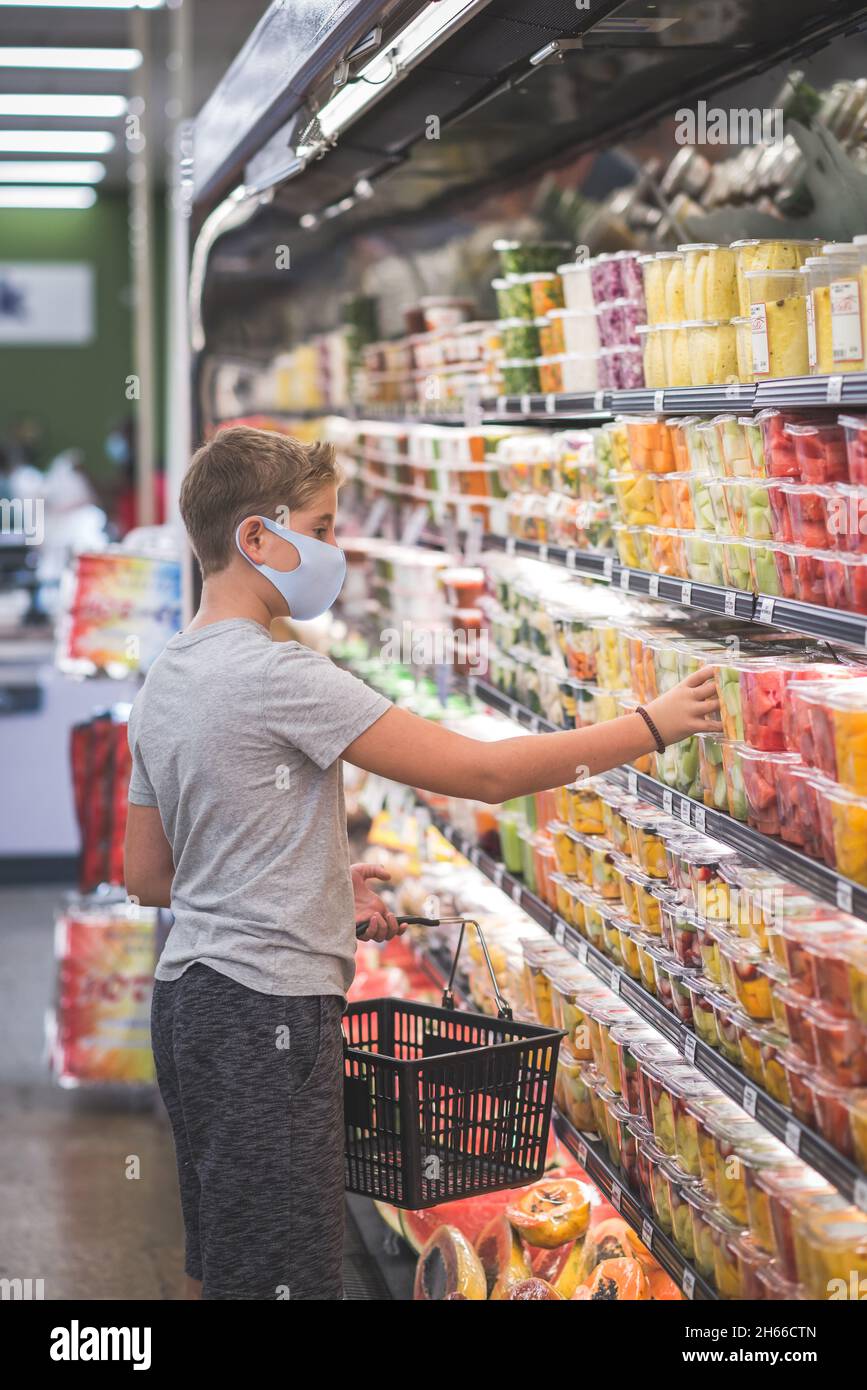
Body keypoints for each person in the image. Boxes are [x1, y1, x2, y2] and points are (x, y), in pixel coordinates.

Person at [124, 425, 721, 1302]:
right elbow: (477, 773)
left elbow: (150, 875)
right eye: (322, 530)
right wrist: (651, 725)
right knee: (285, 1280)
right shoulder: (281, 673)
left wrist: (320, 886)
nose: (334, 550)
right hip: (267, 1017)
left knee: (237, 1268)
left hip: (190, 1009)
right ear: (258, 538)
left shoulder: (168, 672)